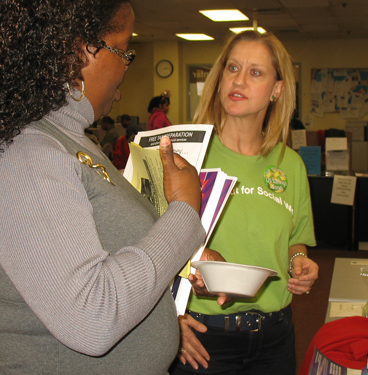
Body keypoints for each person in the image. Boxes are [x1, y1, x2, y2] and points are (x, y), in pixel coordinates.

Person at [0, 1, 206, 374]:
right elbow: (92, 316)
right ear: (82, 50)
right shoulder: (28, 151)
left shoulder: (71, 140)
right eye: (124, 49)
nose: (127, 64)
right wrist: (185, 212)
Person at [169, 30, 319, 375]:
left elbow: (295, 238)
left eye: (255, 72)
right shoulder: (187, 155)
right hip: (204, 338)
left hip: (275, 336)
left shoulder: (290, 164)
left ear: (277, 89)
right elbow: (147, 245)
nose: (239, 80)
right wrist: (169, 320)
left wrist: (300, 261)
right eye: (232, 68)